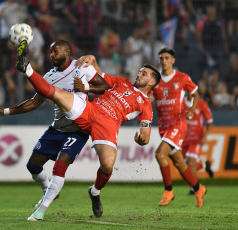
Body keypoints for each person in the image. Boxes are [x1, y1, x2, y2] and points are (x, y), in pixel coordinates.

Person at [13, 40, 161, 221]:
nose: (139, 74)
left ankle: (95, 191)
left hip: (108, 125)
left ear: (152, 82)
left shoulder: (146, 104)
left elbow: (145, 132)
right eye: (140, 71)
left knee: (107, 165)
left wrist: (142, 139)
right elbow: (100, 76)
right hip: (89, 110)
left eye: (144, 74)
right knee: (56, 93)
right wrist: (93, 59)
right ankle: (27, 68)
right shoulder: (122, 82)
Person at [0, 40, 110, 221]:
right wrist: (6, 111)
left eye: (55, 51)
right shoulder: (48, 77)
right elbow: (33, 103)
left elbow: (105, 87)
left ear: (67, 52)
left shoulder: (82, 67)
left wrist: (86, 87)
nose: (51, 55)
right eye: (50, 51)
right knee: (32, 166)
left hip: (78, 130)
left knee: (60, 166)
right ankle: (48, 190)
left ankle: (41, 211)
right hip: (57, 129)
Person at [151, 48, 207, 207]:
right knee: (179, 163)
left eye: (167, 58)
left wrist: (192, 110)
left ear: (173, 60)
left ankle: (169, 190)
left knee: (160, 154)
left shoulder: (182, 78)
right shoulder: (155, 80)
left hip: (178, 124)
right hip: (163, 127)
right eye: (161, 58)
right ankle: (198, 188)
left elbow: (196, 94)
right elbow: (149, 98)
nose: (163, 61)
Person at [182, 94, 214, 195]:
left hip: (196, 139)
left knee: (191, 163)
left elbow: (210, 122)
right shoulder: (180, 101)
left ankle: (195, 189)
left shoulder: (202, 104)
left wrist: (205, 136)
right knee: (187, 165)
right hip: (183, 139)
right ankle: (204, 165)